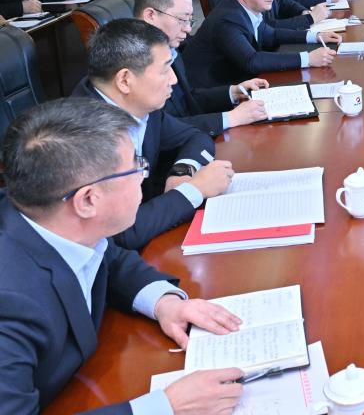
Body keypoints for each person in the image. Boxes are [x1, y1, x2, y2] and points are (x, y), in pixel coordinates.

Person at [0, 98, 244, 413]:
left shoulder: (53, 222)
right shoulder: (11, 304)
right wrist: (166, 407)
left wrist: (165, 303)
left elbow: (107, 257)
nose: (144, 175)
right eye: (134, 167)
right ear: (88, 200)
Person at [71, 19, 235, 249]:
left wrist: (182, 172)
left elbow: (196, 137)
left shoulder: (140, 104)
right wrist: (194, 190)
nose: (174, 80)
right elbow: (119, 234)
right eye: (165, 69)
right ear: (125, 80)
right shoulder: (82, 136)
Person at [134, 0, 269, 136]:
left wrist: (233, 92)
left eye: (190, 20)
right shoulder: (133, 64)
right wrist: (231, 118)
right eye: (182, 19)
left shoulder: (171, 48)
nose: (188, 29)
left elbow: (188, 99)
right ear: (150, 15)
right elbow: (160, 130)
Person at [184, 0, 340, 87]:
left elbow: (272, 34)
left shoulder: (247, 9)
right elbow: (252, 60)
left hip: (240, 82)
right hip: (211, 94)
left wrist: (315, 36)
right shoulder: (228, 18)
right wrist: (308, 59)